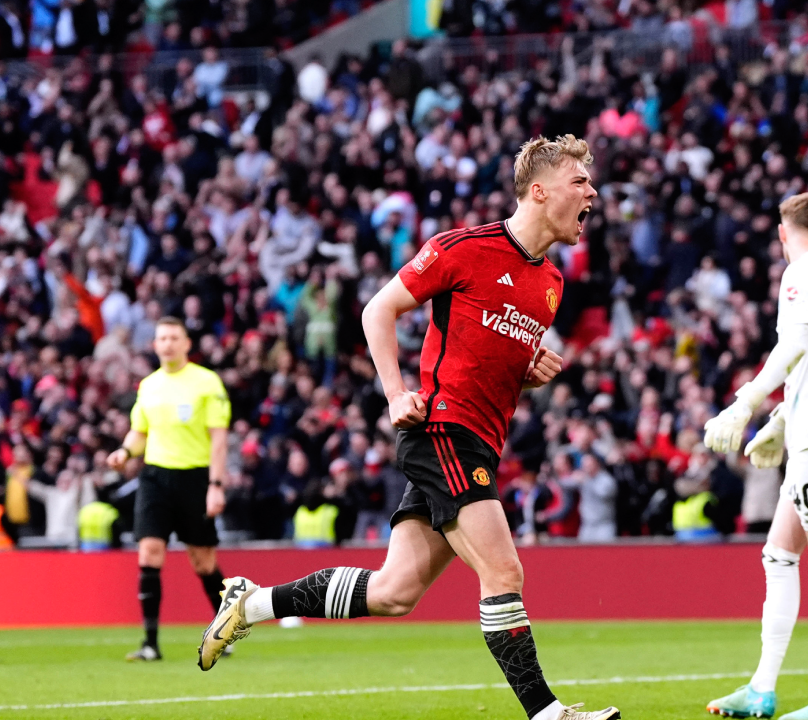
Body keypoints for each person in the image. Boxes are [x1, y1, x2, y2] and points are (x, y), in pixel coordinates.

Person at [198, 136, 619, 720]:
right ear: (540, 190)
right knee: (503, 570)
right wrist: (397, 393)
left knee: (394, 592)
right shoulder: (462, 248)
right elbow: (378, 308)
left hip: (479, 441)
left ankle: (253, 603)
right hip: (443, 430)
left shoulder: (551, 284)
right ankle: (548, 714)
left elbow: (488, 365)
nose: (592, 192)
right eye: (580, 182)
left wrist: (529, 376)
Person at [704, 193, 808, 720]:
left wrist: (745, 403)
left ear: (784, 232)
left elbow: (795, 346)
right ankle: (761, 689)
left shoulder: (801, 274)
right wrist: (781, 422)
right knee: (778, 555)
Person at [107, 317, 232, 662]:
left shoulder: (207, 383)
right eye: (161, 338)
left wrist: (216, 485)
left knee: (203, 561)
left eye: (174, 337)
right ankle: (150, 643)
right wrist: (125, 451)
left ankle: (227, 627)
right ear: (155, 344)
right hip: (155, 477)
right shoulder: (148, 385)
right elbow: (139, 431)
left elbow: (219, 440)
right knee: (148, 553)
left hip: (194, 477)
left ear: (186, 344)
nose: (167, 344)